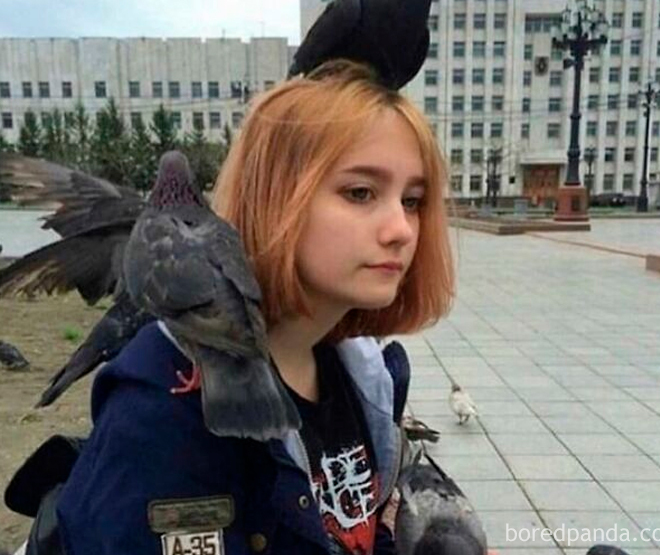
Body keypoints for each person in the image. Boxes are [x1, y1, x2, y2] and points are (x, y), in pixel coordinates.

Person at [52, 60, 455, 555]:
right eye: (360, 192)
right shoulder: (159, 419)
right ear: (276, 200)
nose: (402, 230)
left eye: (413, 200)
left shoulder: (359, 374)